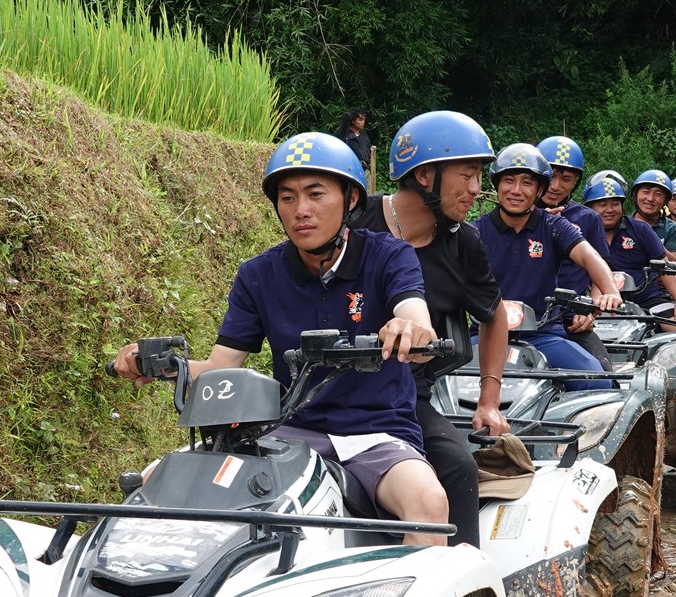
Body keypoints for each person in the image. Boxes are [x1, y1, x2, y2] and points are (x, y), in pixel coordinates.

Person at [112, 132, 449, 546]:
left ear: (351, 200)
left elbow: (414, 314)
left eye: (315, 194)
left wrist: (411, 329)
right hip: (287, 431)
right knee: (154, 480)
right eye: (287, 198)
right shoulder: (258, 275)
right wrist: (160, 365)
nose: (301, 210)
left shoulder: (388, 255)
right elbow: (220, 368)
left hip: (377, 433)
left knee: (429, 503)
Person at [350, 110, 511, 549]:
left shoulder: (464, 244)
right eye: (468, 175)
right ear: (425, 175)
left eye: (479, 176)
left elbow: (493, 316)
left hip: (403, 395)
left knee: (458, 465)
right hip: (324, 387)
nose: (478, 190)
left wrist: (489, 400)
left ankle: (465, 589)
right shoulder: (353, 219)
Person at [476, 143, 623, 373]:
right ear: (496, 185)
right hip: (484, 332)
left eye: (527, 182)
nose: (516, 190)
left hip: (543, 332)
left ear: (538, 191)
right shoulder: (475, 231)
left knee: (596, 376)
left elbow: (589, 256)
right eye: (508, 181)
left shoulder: (554, 226)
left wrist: (610, 291)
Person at [536, 135, 612, 360]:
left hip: (571, 319)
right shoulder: (514, 216)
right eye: (550, 176)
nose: (555, 186)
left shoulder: (588, 218)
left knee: (605, 379)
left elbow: (599, 273)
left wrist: (591, 309)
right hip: (520, 317)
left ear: (576, 182)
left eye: (566, 179)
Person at [585, 175, 676, 323]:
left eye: (615, 204)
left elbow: (664, 268)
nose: (610, 210)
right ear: (589, 207)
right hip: (601, 302)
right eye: (602, 204)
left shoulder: (640, 229)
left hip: (649, 300)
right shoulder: (581, 233)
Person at [631, 170, 676, 260]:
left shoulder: (673, 228)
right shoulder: (623, 225)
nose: (650, 198)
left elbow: (674, 261)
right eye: (646, 192)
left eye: (658, 194)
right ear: (636, 195)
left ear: (665, 200)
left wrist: (649, 235)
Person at [332, 109, 374, 187]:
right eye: (360, 119)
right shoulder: (346, 134)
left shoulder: (364, 135)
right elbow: (346, 117)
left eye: (364, 120)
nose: (363, 122)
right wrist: (351, 115)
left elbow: (368, 150)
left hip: (365, 170)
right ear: (353, 121)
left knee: (369, 194)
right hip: (352, 169)